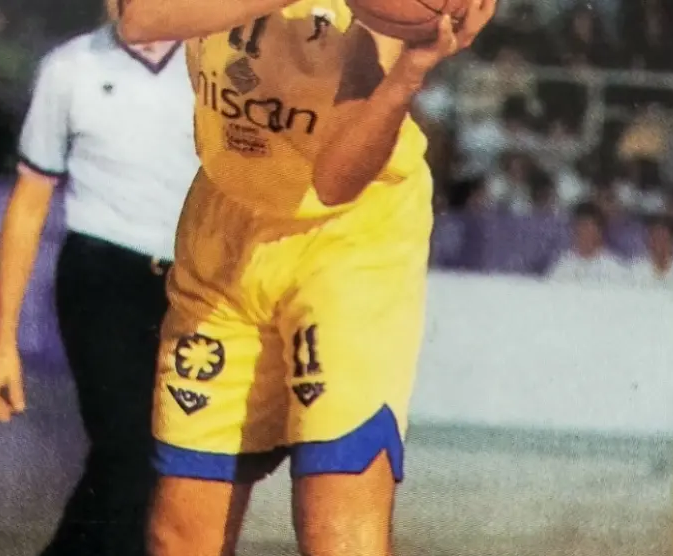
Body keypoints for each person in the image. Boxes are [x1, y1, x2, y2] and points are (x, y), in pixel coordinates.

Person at [118, 1, 495, 555]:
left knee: (335, 531)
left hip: (349, 238)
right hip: (228, 219)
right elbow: (140, 19)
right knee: (178, 537)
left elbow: (336, 182)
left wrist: (409, 71)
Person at [0, 1, 198, 554]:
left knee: (155, 462)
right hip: (101, 279)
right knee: (127, 449)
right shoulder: (69, 67)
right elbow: (29, 204)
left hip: (193, 285)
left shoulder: (214, 60)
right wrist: (4, 343)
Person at [547, 201, 628, 284]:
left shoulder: (613, 268)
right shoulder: (563, 263)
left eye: (586, 226)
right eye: (578, 226)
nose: (581, 231)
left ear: (599, 231)